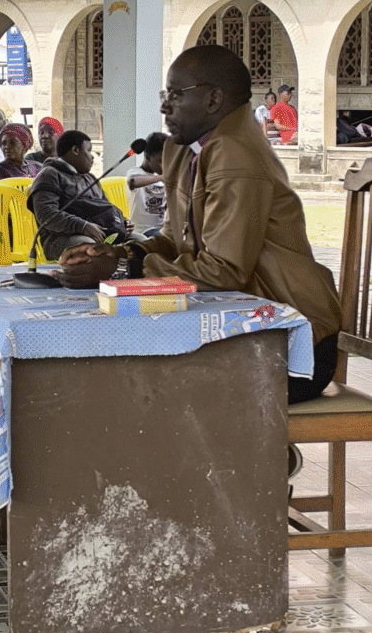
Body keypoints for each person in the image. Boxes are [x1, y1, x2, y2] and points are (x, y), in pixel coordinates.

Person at [58, 45, 342, 407]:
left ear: (213, 100)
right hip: (246, 332)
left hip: (292, 344)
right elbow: (174, 240)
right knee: (128, 374)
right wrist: (120, 252)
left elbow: (225, 271)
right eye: (166, 94)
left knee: (141, 386)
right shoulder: (185, 149)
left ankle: (246, 461)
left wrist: (124, 269)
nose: (164, 106)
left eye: (175, 95)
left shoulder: (236, 151)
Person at [27, 129, 129, 261]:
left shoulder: (90, 179)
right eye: (89, 151)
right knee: (93, 249)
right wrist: (82, 226)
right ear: (75, 150)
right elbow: (46, 214)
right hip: (58, 240)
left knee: (138, 243)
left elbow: (105, 208)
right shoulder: (49, 175)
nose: (92, 157)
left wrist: (123, 222)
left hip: (100, 235)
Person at [126, 131, 168, 237]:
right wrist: (161, 177)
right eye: (160, 161)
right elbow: (133, 181)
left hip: (162, 229)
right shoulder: (136, 172)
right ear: (148, 157)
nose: (165, 166)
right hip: (143, 231)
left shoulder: (162, 177)